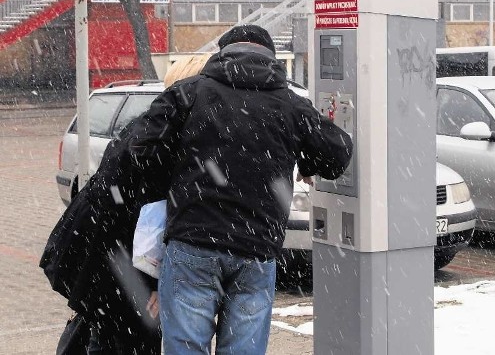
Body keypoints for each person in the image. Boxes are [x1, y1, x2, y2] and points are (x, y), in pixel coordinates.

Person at [126, 24, 353, 354]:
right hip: (257, 249)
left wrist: (179, 174)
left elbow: (140, 149)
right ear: (270, 59)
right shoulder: (290, 105)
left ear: (222, 53)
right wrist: (308, 163)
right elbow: (338, 151)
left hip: (194, 243)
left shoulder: (188, 93)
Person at [40, 120, 167, 355]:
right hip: (116, 256)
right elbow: (146, 228)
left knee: (106, 328)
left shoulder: (142, 127)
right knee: (127, 333)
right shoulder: (159, 146)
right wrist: (155, 284)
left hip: (96, 249)